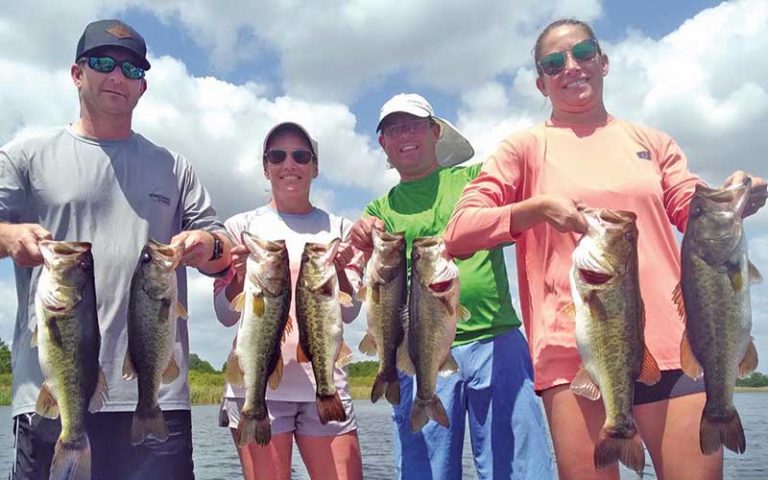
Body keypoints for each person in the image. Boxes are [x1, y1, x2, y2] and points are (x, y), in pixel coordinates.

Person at [443, 18, 768, 480]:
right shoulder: (524, 148)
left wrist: (739, 194)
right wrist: (534, 210)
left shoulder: (652, 143)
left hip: (676, 345)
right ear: (541, 81)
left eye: (583, 53)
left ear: (604, 61)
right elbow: (459, 231)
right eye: (554, 63)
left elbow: (690, 204)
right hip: (574, 352)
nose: (571, 67)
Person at [0, 19, 233, 480]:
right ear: (76, 74)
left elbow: (222, 248)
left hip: (156, 400)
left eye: (131, 69)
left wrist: (206, 242)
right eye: (103, 63)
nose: (117, 76)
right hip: (51, 394)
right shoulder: (25, 155)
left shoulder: (173, 166)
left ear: (143, 87)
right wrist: (8, 237)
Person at [350, 93, 554, 479]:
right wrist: (360, 239)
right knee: (425, 470)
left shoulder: (476, 178)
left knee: (519, 468)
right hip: (418, 351)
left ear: (435, 131)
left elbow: (522, 212)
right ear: (383, 144)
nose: (404, 136)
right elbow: (370, 284)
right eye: (394, 129)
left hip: (498, 340)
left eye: (413, 125)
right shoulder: (379, 210)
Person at [213, 121, 364, 480]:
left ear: (314, 166)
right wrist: (234, 277)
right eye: (277, 156)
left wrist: (341, 272)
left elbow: (351, 310)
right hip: (255, 386)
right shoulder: (241, 226)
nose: (289, 164)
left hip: (324, 386)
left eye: (300, 155)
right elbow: (224, 314)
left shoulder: (339, 228)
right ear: (265, 167)